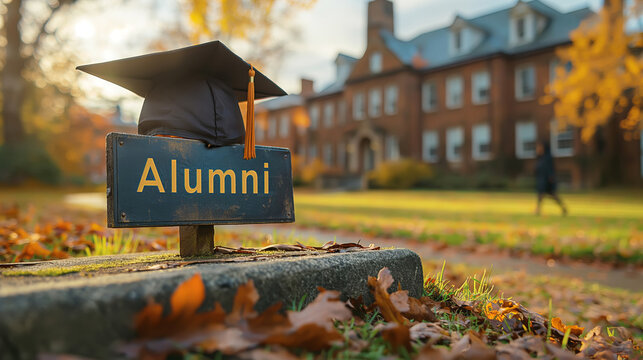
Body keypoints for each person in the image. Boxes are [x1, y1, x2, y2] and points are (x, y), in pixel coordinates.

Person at [535, 141, 568, 216]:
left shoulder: (547, 157)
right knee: (540, 195)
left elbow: (551, 169)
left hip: (547, 181)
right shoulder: (540, 157)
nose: (538, 149)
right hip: (542, 180)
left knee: (553, 195)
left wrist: (551, 178)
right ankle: (538, 209)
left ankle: (563, 208)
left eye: (539, 147)